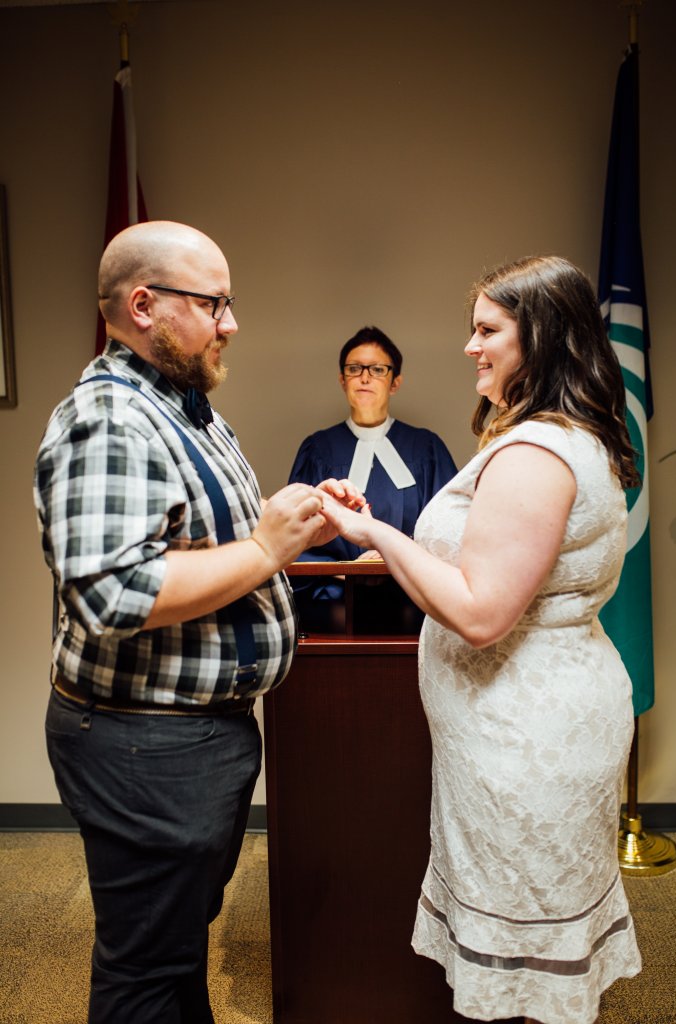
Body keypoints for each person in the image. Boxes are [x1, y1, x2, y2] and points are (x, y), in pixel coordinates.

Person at [33, 220, 362, 1024]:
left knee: (173, 948)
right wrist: (263, 546)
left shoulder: (182, 408)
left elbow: (208, 548)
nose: (231, 322)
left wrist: (295, 532)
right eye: (215, 303)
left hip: (191, 738)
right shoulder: (109, 419)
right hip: (145, 744)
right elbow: (114, 593)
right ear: (144, 306)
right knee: (145, 969)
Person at [320, 256, 642, 1024]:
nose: (469, 345)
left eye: (487, 329)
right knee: (535, 959)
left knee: (528, 965)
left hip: (526, 745)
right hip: (529, 729)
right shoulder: (561, 434)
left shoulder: (534, 453)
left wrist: (372, 534)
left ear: (543, 339)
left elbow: (479, 613)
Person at [288, 325, 456, 632]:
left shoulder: (426, 448)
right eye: (355, 369)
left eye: (377, 369)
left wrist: (391, 558)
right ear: (343, 380)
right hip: (334, 602)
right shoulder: (318, 449)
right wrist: (348, 571)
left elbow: (450, 529)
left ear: (395, 383)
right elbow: (294, 534)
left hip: (413, 600)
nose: (365, 377)